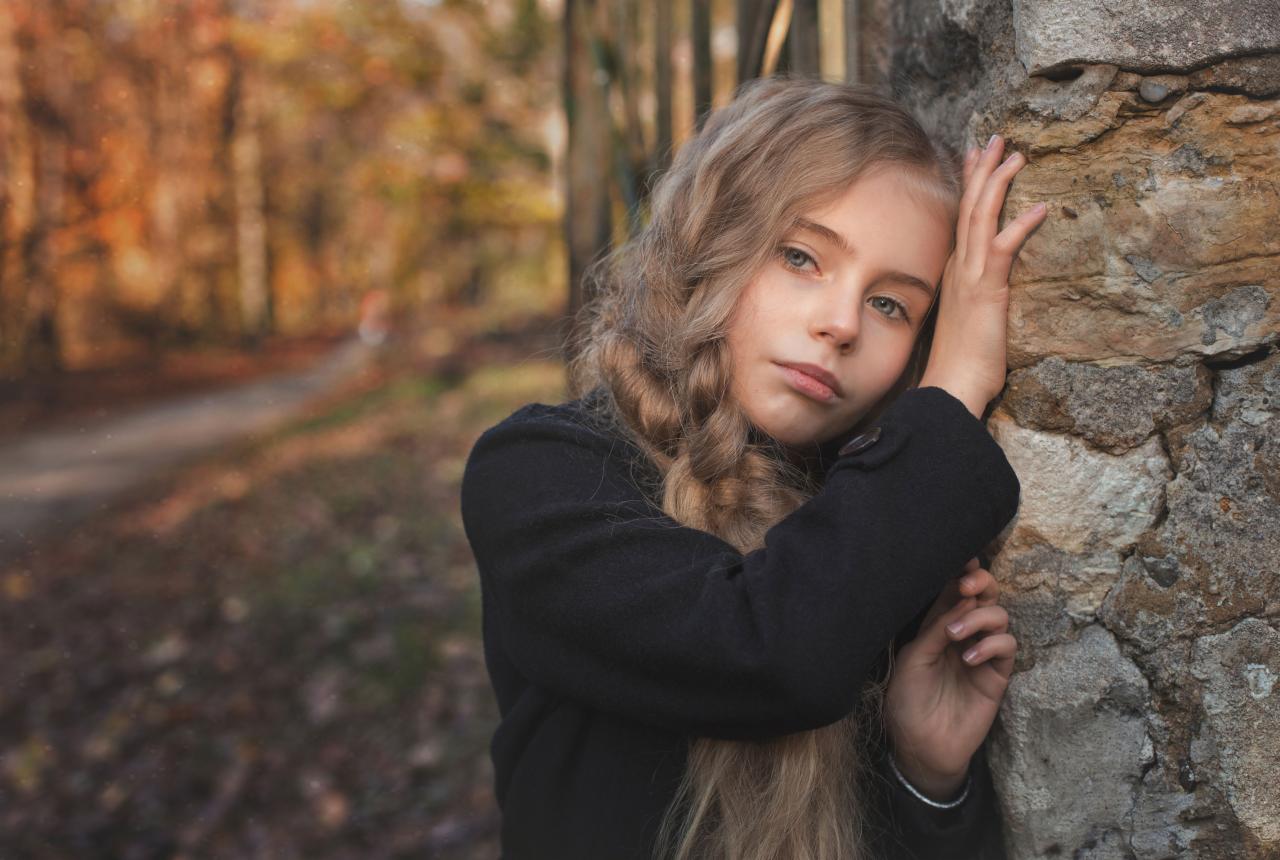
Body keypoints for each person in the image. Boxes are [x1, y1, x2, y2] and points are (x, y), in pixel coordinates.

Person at [459, 75, 1048, 860]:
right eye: (802, 256)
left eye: (891, 306)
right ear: (710, 246)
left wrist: (925, 780)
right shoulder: (539, 476)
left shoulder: (885, 539)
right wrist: (957, 387)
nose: (840, 323)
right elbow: (765, 651)